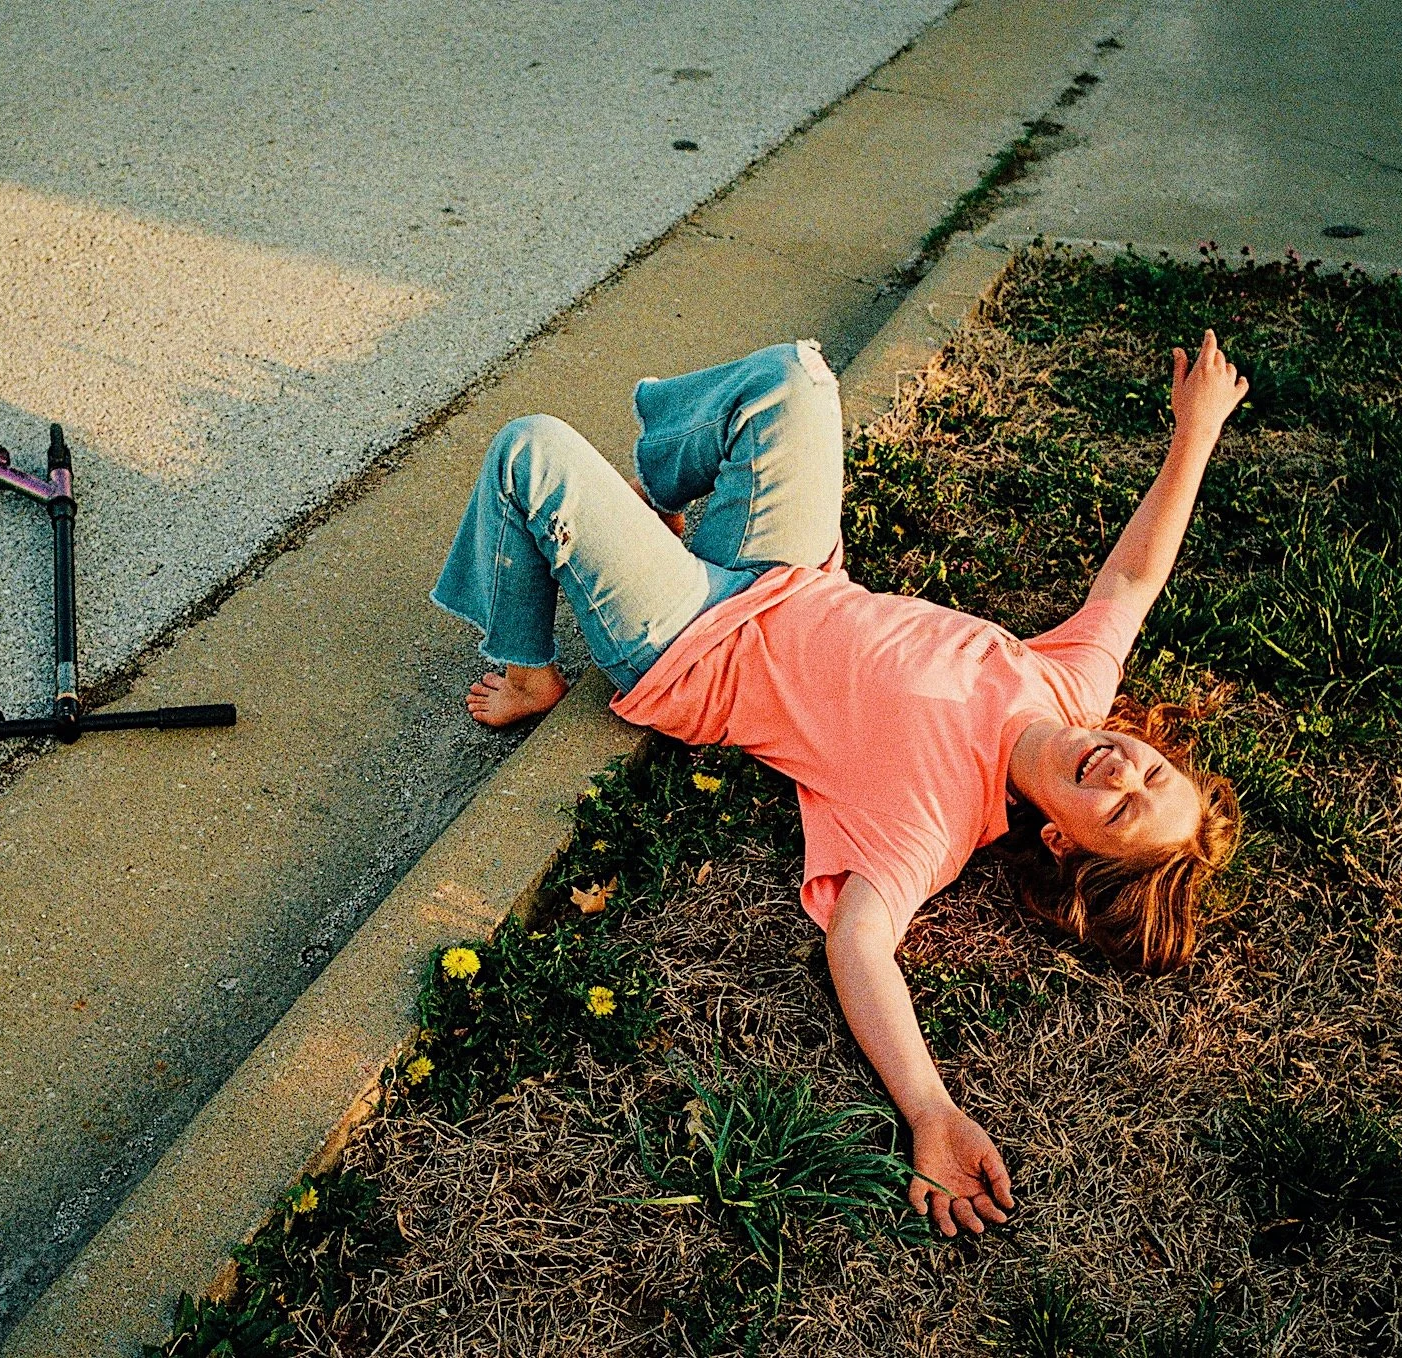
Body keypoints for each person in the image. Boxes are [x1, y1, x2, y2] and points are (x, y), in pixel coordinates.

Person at [430, 331, 1247, 1238]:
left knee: (531, 449)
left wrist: (931, 1113)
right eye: (1153, 773)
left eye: (1120, 812)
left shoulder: (935, 821)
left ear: (1061, 838)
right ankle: (655, 506)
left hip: (695, 644)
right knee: (796, 379)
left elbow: (860, 948)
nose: (1126, 773)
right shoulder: (1072, 685)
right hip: (788, 568)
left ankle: (525, 665)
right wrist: (1196, 430)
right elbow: (1134, 578)